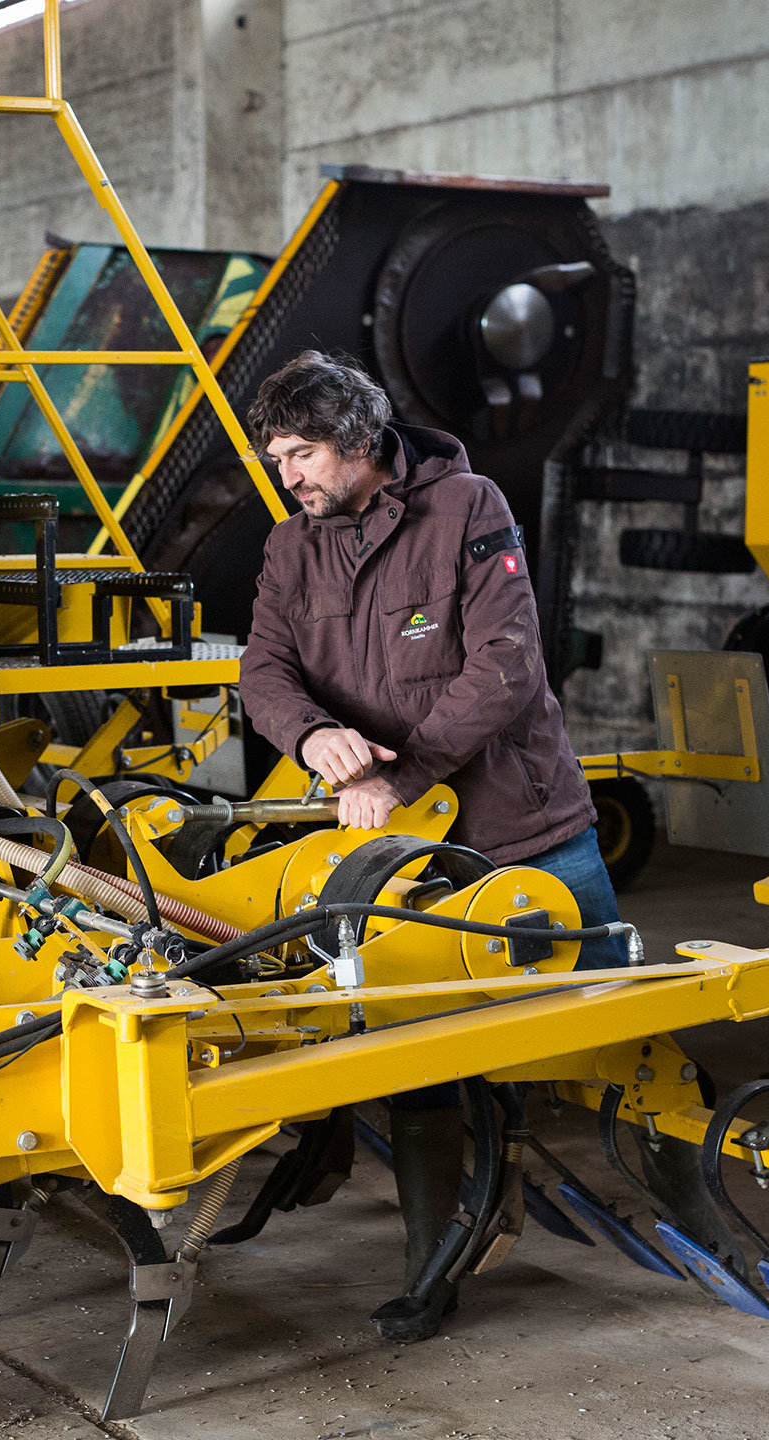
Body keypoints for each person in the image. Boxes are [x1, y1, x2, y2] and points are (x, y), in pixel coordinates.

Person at [237, 350, 625, 1343]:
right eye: (277, 457)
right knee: (416, 1049)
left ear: (362, 441)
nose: (291, 474)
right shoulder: (291, 547)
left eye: (304, 452)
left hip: (519, 824)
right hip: (398, 852)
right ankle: (432, 1261)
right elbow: (264, 674)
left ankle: (665, 1166)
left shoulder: (467, 508)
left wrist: (392, 778)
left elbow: (504, 668)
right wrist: (311, 737)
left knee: (612, 1017)